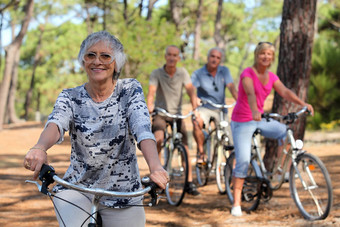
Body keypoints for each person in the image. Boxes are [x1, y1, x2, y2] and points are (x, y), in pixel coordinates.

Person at [23, 31, 169, 227]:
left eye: (105, 56)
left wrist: (156, 167)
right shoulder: (70, 96)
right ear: (83, 61)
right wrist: (40, 147)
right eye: (90, 55)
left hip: (123, 190)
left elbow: (142, 129)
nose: (97, 61)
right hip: (77, 186)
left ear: (116, 63)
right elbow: (56, 123)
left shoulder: (130, 90)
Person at [230, 42, 314, 217]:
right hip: (242, 121)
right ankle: (236, 203)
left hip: (259, 119)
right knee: (243, 160)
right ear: (257, 55)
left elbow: (285, 92)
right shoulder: (248, 73)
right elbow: (251, 93)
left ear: (272, 57)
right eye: (262, 53)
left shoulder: (272, 77)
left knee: (285, 132)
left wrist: (302, 103)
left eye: (269, 54)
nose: (266, 57)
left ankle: (281, 171)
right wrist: (254, 110)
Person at [146, 45, 200, 196]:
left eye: (175, 55)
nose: (171, 57)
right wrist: (150, 105)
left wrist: (195, 105)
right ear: (165, 56)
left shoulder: (182, 73)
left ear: (178, 58)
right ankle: (154, 176)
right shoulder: (157, 73)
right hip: (161, 113)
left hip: (177, 114)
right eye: (169, 54)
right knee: (158, 139)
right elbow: (151, 92)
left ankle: (189, 182)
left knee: (185, 147)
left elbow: (190, 90)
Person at [191, 47, 238, 163]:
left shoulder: (224, 71)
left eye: (218, 58)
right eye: (212, 56)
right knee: (197, 122)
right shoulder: (198, 73)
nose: (214, 59)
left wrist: (240, 101)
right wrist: (195, 106)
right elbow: (191, 91)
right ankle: (201, 153)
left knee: (231, 140)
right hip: (205, 107)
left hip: (221, 109)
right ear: (208, 57)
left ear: (220, 60)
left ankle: (231, 169)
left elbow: (232, 88)